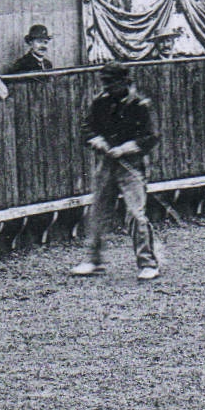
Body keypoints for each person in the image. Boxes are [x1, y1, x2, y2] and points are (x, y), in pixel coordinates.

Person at [70, 62, 161, 281]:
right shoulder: (101, 102)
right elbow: (86, 127)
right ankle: (93, 260)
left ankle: (148, 263)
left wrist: (126, 148)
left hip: (132, 165)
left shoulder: (140, 104)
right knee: (98, 212)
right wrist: (97, 140)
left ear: (124, 82)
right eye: (105, 83)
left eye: (111, 83)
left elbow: (151, 136)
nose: (107, 87)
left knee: (136, 214)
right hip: (107, 164)